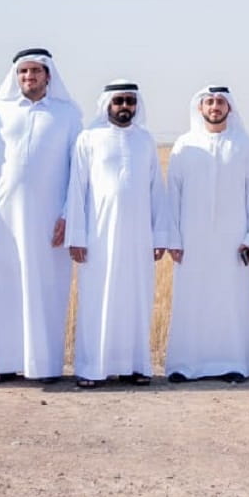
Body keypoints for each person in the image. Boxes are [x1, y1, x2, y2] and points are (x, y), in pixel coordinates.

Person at [0, 48, 85, 382]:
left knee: (46, 288)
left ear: (48, 76)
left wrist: (67, 215)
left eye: (35, 72)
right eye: (23, 73)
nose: (29, 78)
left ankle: (43, 366)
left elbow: (78, 171)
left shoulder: (68, 115)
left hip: (49, 222)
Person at [65, 81, 173, 388]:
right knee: (97, 300)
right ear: (107, 104)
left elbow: (156, 190)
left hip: (138, 238)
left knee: (136, 299)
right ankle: (92, 368)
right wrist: (77, 236)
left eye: (130, 101)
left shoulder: (145, 141)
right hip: (98, 238)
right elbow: (77, 189)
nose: (125, 106)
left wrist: (159, 235)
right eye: (119, 101)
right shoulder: (89, 139)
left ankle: (135, 367)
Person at [165, 85, 249, 383]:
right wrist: (174, 238)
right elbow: (173, 195)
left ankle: (233, 363)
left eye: (220, 102)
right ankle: (185, 365)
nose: (215, 106)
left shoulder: (243, 145)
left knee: (231, 300)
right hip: (192, 237)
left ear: (229, 108)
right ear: (200, 108)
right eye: (209, 101)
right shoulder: (184, 145)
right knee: (191, 299)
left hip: (233, 240)